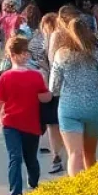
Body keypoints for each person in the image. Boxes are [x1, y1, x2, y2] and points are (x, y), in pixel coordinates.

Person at [50, 14, 98, 176]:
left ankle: (76, 190)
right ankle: (90, 189)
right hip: (95, 107)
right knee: (90, 154)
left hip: (69, 108)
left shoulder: (61, 55)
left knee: (74, 155)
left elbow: (53, 87)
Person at [0, 35, 52, 195]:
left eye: (27, 52)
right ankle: (16, 194)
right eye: (22, 52)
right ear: (13, 54)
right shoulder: (5, 77)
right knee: (15, 157)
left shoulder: (35, 76)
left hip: (31, 124)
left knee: (31, 159)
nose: (26, 55)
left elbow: (45, 97)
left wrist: (47, 88)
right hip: (11, 124)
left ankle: (33, 183)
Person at [39, 13, 65, 173]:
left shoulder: (51, 38)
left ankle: (57, 155)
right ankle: (62, 154)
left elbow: (49, 64)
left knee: (52, 124)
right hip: (66, 88)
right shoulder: (66, 37)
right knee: (63, 124)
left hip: (52, 85)